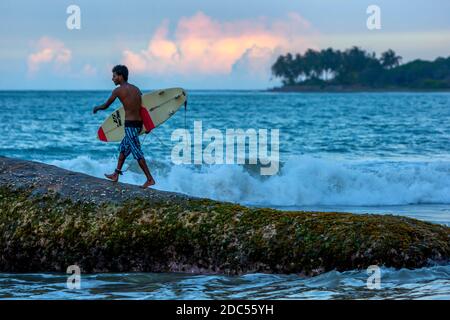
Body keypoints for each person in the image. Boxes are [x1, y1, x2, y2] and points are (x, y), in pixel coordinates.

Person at [93, 65, 155, 188]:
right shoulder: (137, 89)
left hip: (130, 126)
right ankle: (116, 174)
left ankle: (150, 179)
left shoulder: (118, 91)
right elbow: (143, 108)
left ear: (121, 76)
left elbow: (106, 105)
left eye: (114, 76)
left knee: (137, 153)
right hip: (137, 125)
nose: (112, 79)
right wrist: (146, 126)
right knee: (123, 149)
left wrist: (97, 108)